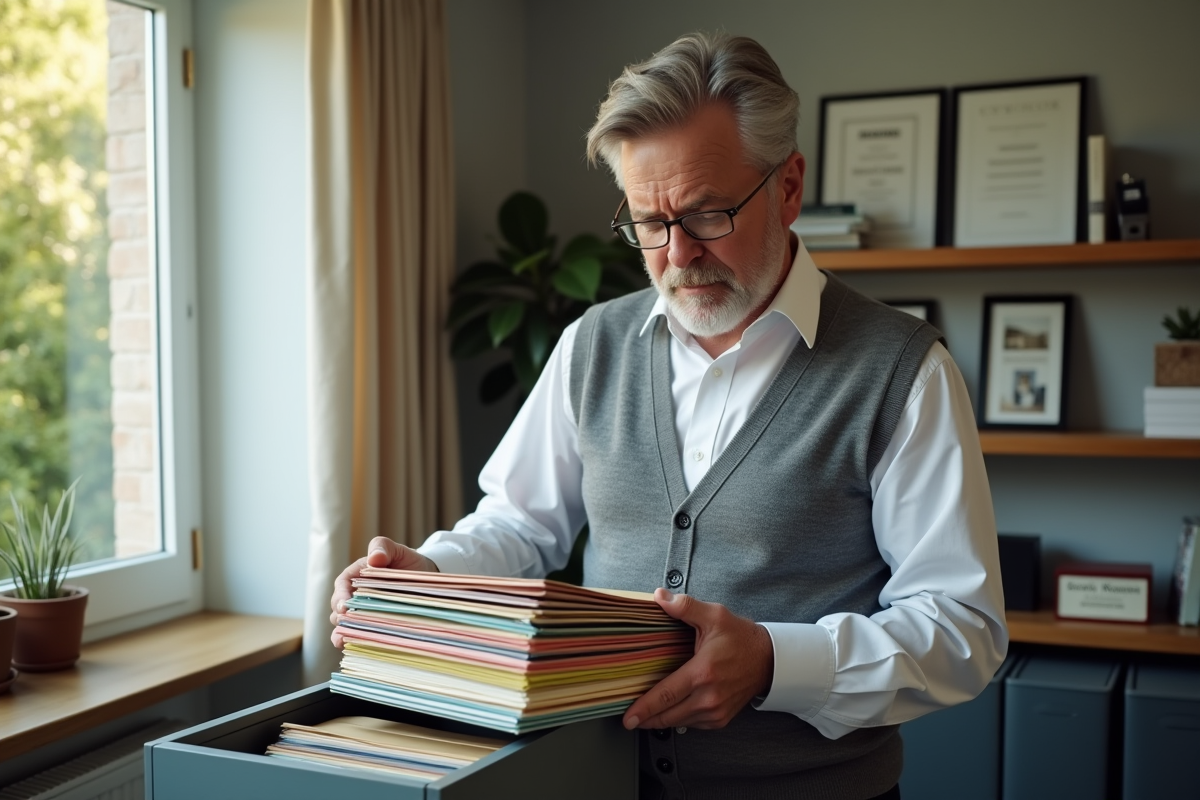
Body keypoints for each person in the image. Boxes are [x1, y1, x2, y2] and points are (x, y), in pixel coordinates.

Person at [330, 32, 1007, 800]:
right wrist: (434, 574)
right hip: (592, 783)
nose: (678, 254)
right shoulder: (591, 344)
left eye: (708, 213)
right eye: (649, 223)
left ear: (788, 188)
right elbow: (521, 525)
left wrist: (774, 664)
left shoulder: (902, 370)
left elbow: (961, 629)